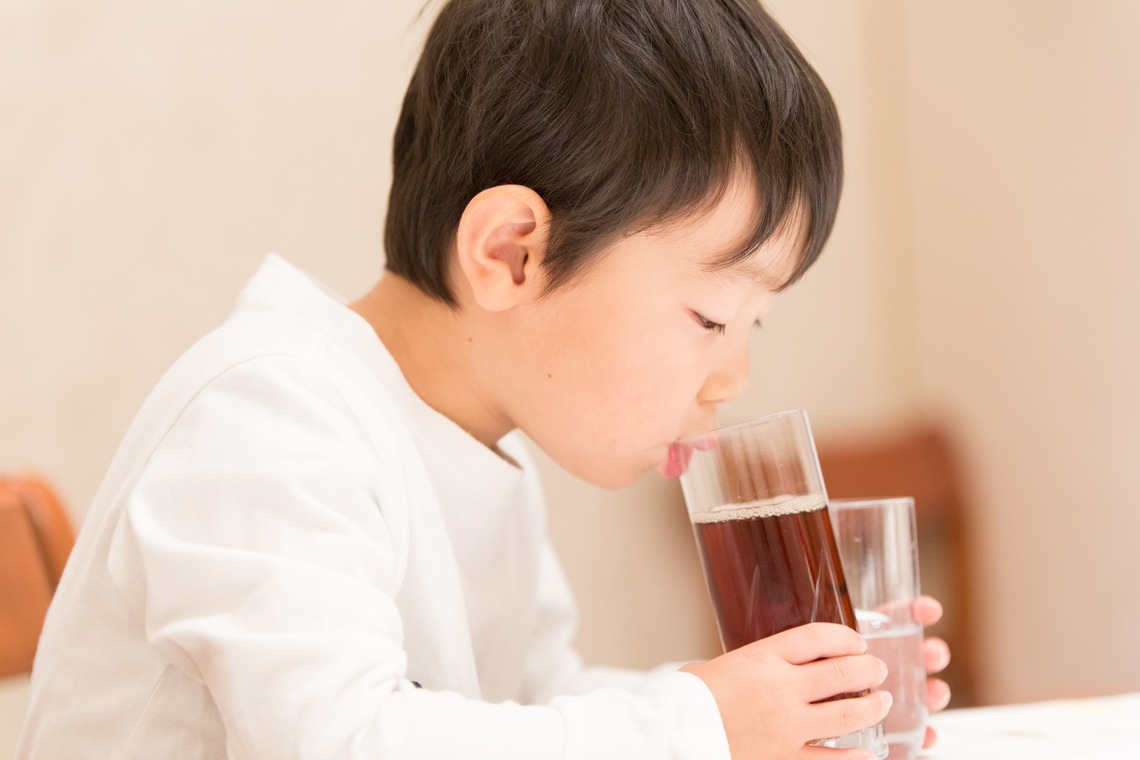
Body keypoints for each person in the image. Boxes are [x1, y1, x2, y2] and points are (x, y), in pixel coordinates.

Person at [18, 1, 951, 758]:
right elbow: (344, 741)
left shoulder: (479, 446)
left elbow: (531, 711)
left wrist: (775, 703)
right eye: (710, 318)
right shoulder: (271, 412)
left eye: (752, 326)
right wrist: (699, 726)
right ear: (511, 253)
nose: (731, 379)